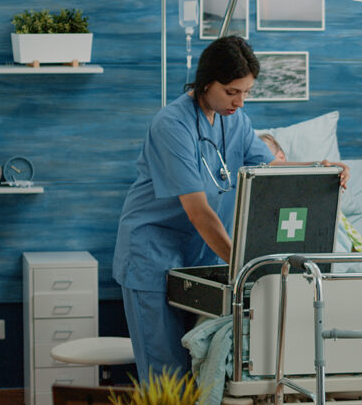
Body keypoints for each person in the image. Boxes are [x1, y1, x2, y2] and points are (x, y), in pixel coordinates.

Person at [113, 36, 348, 379]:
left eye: (246, 92)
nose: (239, 101)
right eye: (231, 91)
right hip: (152, 253)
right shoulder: (172, 125)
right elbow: (199, 211)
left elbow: (268, 168)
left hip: (200, 255)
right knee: (166, 373)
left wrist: (322, 168)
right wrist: (242, 266)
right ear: (206, 82)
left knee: (199, 360)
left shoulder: (233, 120)